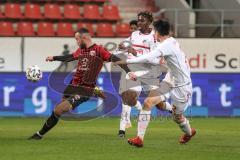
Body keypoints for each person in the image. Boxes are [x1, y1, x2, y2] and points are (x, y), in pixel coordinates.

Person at [28, 28, 134, 140]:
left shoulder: (99, 50)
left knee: (58, 110)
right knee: (60, 108)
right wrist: (54, 58)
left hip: (84, 90)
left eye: (77, 39)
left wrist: (129, 71)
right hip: (72, 85)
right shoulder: (81, 50)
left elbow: (116, 59)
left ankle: (39, 135)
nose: (77, 42)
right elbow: (70, 57)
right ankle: (94, 91)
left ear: (85, 38)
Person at [115, 20, 196, 147]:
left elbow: (149, 57)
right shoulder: (169, 42)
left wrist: (128, 61)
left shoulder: (167, 45)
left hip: (182, 86)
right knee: (148, 103)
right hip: (170, 80)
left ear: (157, 32)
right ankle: (139, 139)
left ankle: (189, 132)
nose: (153, 34)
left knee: (177, 117)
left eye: (154, 31)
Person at [116, 11, 172, 138]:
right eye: (138, 20)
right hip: (134, 70)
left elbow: (155, 60)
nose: (139, 23)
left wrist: (135, 53)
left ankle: (171, 109)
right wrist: (120, 48)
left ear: (149, 22)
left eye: (142, 20)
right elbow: (122, 47)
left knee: (159, 105)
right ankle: (122, 130)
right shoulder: (134, 34)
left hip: (150, 72)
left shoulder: (155, 37)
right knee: (128, 98)